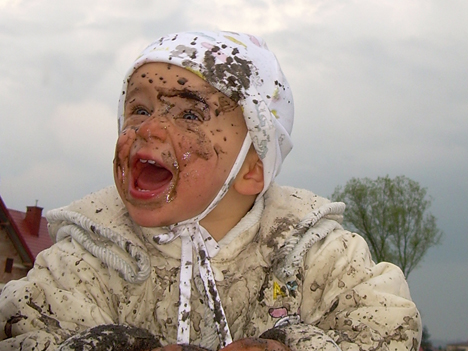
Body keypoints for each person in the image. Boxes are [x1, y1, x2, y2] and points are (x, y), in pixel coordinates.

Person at [0, 31, 422, 351]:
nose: (148, 129)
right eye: (140, 108)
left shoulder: (314, 255)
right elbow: (22, 328)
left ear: (252, 169)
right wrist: (111, 343)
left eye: (189, 113)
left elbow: (389, 328)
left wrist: (287, 343)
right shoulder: (89, 258)